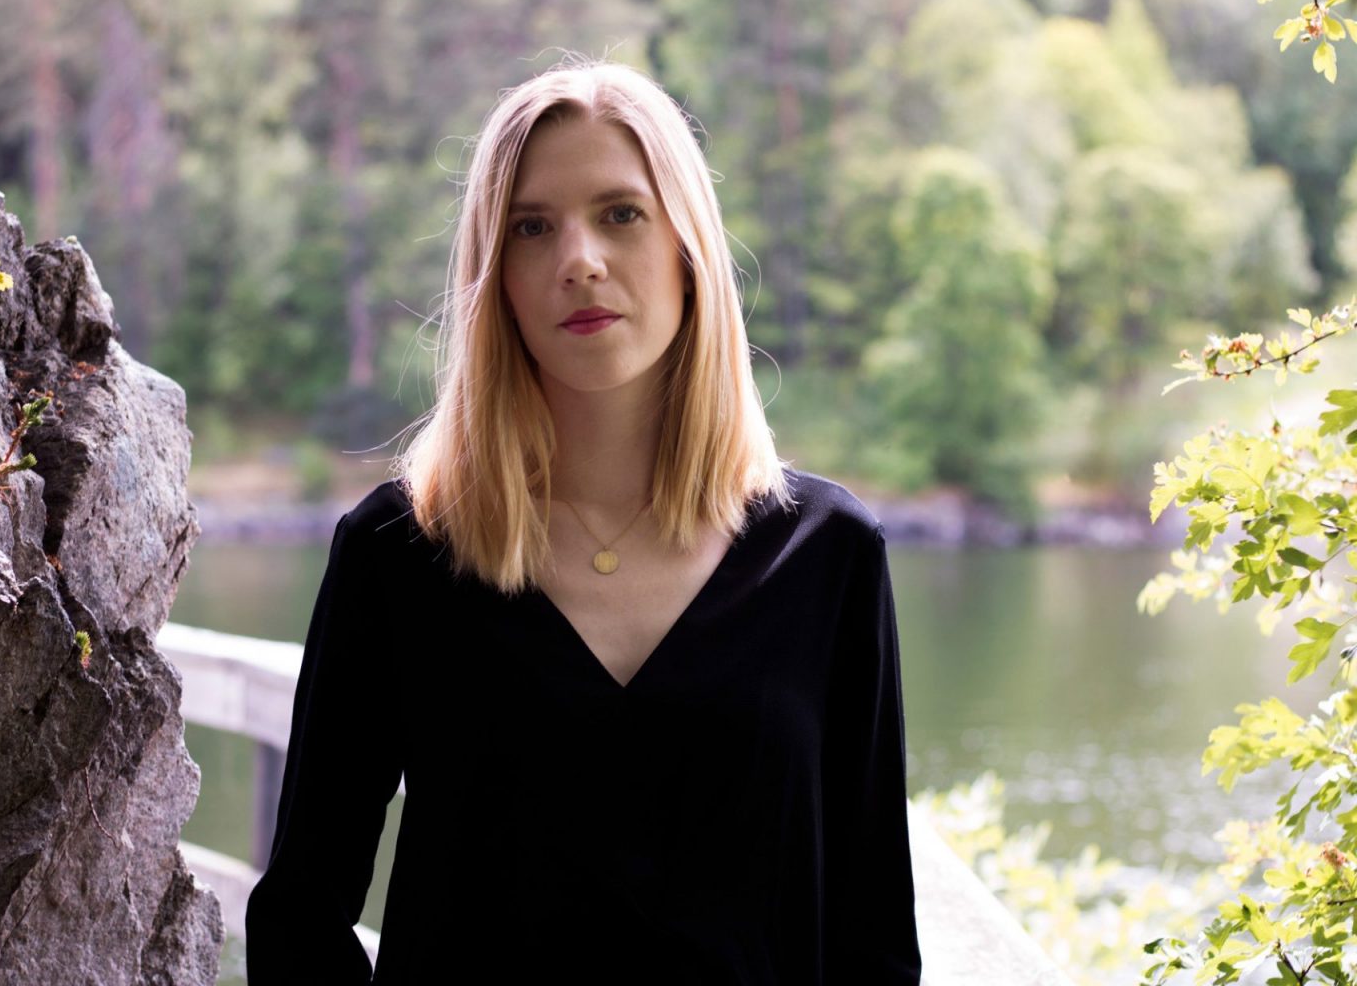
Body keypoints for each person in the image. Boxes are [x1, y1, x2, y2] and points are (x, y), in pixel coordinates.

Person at [244, 58, 921, 984]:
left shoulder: (828, 557)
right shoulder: (397, 556)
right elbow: (300, 921)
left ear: (689, 250)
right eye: (532, 227)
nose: (579, 261)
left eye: (620, 213)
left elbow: (873, 943)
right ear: (496, 277)